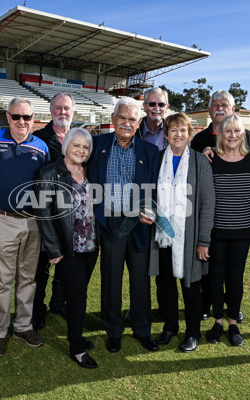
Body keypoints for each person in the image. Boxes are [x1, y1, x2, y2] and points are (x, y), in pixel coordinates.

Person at [87, 97, 160, 353]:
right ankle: (113, 330)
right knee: (111, 279)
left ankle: (142, 329)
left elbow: (157, 188)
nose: (126, 123)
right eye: (122, 118)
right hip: (110, 222)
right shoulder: (96, 144)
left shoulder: (149, 152)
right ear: (113, 119)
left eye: (132, 119)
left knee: (140, 281)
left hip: (138, 224)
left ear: (138, 122)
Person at [0, 97, 49, 357]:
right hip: (2, 219)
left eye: (27, 117)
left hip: (32, 221)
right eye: (16, 116)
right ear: (7, 116)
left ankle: (23, 325)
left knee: (28, 279)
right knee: (2, 280)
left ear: (34, 119)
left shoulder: (42, 146)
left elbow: (46, 186)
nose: (21, 122)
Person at [149, 112, 215, 352]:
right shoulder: (156, 160)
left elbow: (208, 203)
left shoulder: (200, 162)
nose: (178, 134)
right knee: (164, 284)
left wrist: (203, 240)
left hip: (190, 236)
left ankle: (193, 332)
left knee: (191, 286)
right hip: (162, 235)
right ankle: (169, 327)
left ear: (190, 134)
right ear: (166, 135)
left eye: (183, 130)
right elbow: (149, 195)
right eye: (173, 130)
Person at [34, 127, 99, 369]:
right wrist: (54, 249)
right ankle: (77, 349)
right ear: (66, 146)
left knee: (77, 295)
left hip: (91, 246)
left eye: (85, 147)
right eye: (77, 145)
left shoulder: (90, 171)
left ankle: (77, 336)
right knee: (77, 298)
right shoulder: (48, 172)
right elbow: (43, 214)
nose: (81, 150)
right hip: (68, 249)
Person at [191, 89, 250, 323]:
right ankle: (208, 304)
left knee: (234, 270)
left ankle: (232, 306)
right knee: (210, 268)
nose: (219, 107)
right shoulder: (199, 140)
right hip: (210, 218)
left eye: (224, 104)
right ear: (209, 110)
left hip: (237, 219)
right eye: (215, 104)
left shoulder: (244, 137)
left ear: (233, 109)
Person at [205, 115, 250, 347]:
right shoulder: (210, 160)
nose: (233, 135)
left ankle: (233, 322)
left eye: (237, 131)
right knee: (216, 279)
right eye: (228, 131)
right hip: (217, 232)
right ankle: (217, 321)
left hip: (242, 232)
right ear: (220, 134)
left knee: (235, 279)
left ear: (244, 134)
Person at [31, 92, 75, 330]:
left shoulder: (81, 137)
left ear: (73, 112)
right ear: (51, 111)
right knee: (41, 268)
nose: (62, 112)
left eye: (66, 108)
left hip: (71, 216)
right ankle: (37, 311)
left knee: (67, 266)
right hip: (46, 213)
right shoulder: (38, 139)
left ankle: (60, 303)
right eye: (58, 108)